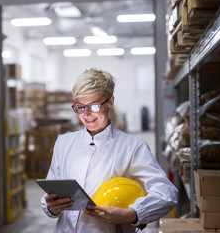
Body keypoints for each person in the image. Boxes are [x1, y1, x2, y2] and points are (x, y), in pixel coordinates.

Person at [41, 68, 177, 233]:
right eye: (80, 107)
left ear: (110, 102)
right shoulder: (64, 142)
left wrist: (132, 213)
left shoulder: (133, 147)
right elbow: (52, 190)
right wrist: (51, 207)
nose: (87, 114)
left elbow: (166, 193)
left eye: (94, 106)